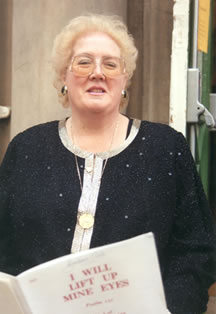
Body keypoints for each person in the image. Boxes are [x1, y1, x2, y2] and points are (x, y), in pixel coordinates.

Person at [0, 14, 215, 314]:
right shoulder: (26, 149)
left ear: (125, 79)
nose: (97, 73)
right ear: (64, 75)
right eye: (84, 62)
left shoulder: (166, 149)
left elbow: (195, 254)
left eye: (111, 64)